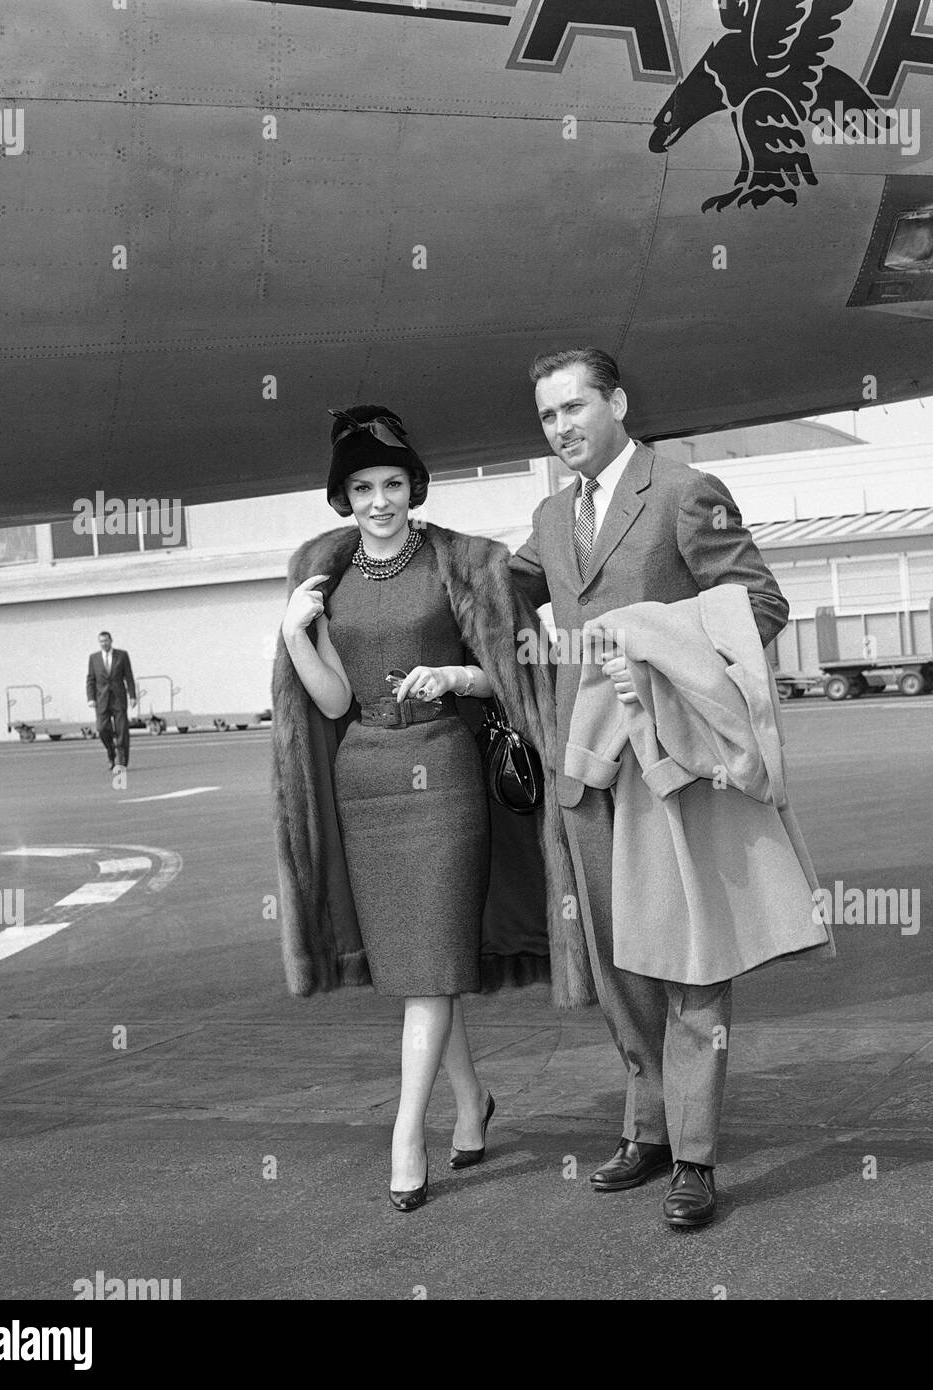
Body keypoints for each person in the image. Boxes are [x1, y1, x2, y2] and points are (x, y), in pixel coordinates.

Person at [271, 405, 591, 1213]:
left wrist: (452, 679)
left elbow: (515, 673)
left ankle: (405, 1136)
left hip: (443, 773)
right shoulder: (325, 576)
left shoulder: (465, 565)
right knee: (423, 968)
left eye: (392, 483)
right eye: (362, 487)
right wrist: (295, 635)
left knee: (429, 966)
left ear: (413, 485)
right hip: (364, 778)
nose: (380, 500)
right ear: (343, 496)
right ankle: (472, 1102)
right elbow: (334, 699)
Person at [510, 348, 792, 1229]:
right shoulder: (553, 517)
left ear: (618, 402)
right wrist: (384, 555)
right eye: (548, 415)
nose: (562, 427)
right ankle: (650, 1127)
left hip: (670, 766)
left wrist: (659, 662)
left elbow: (759, 605)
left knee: (691, 960)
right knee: (618, 955)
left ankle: (696, 1156)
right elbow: (495, 595)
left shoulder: (682, 490)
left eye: (575, 407)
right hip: (584, 770)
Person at [86, 631, 137, 772]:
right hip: (102, 700)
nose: (104, 643)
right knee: (102, 729)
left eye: (106, 641)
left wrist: (132, 695)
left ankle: (122, 761)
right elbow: (90, 679)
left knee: (121, 731)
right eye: (101, 641)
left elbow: (129, 676)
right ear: (99, 643)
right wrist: (90, 698)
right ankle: (111, 752)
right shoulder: (94, 658)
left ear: (111, 641)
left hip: (118, 698)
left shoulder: (122, 655)